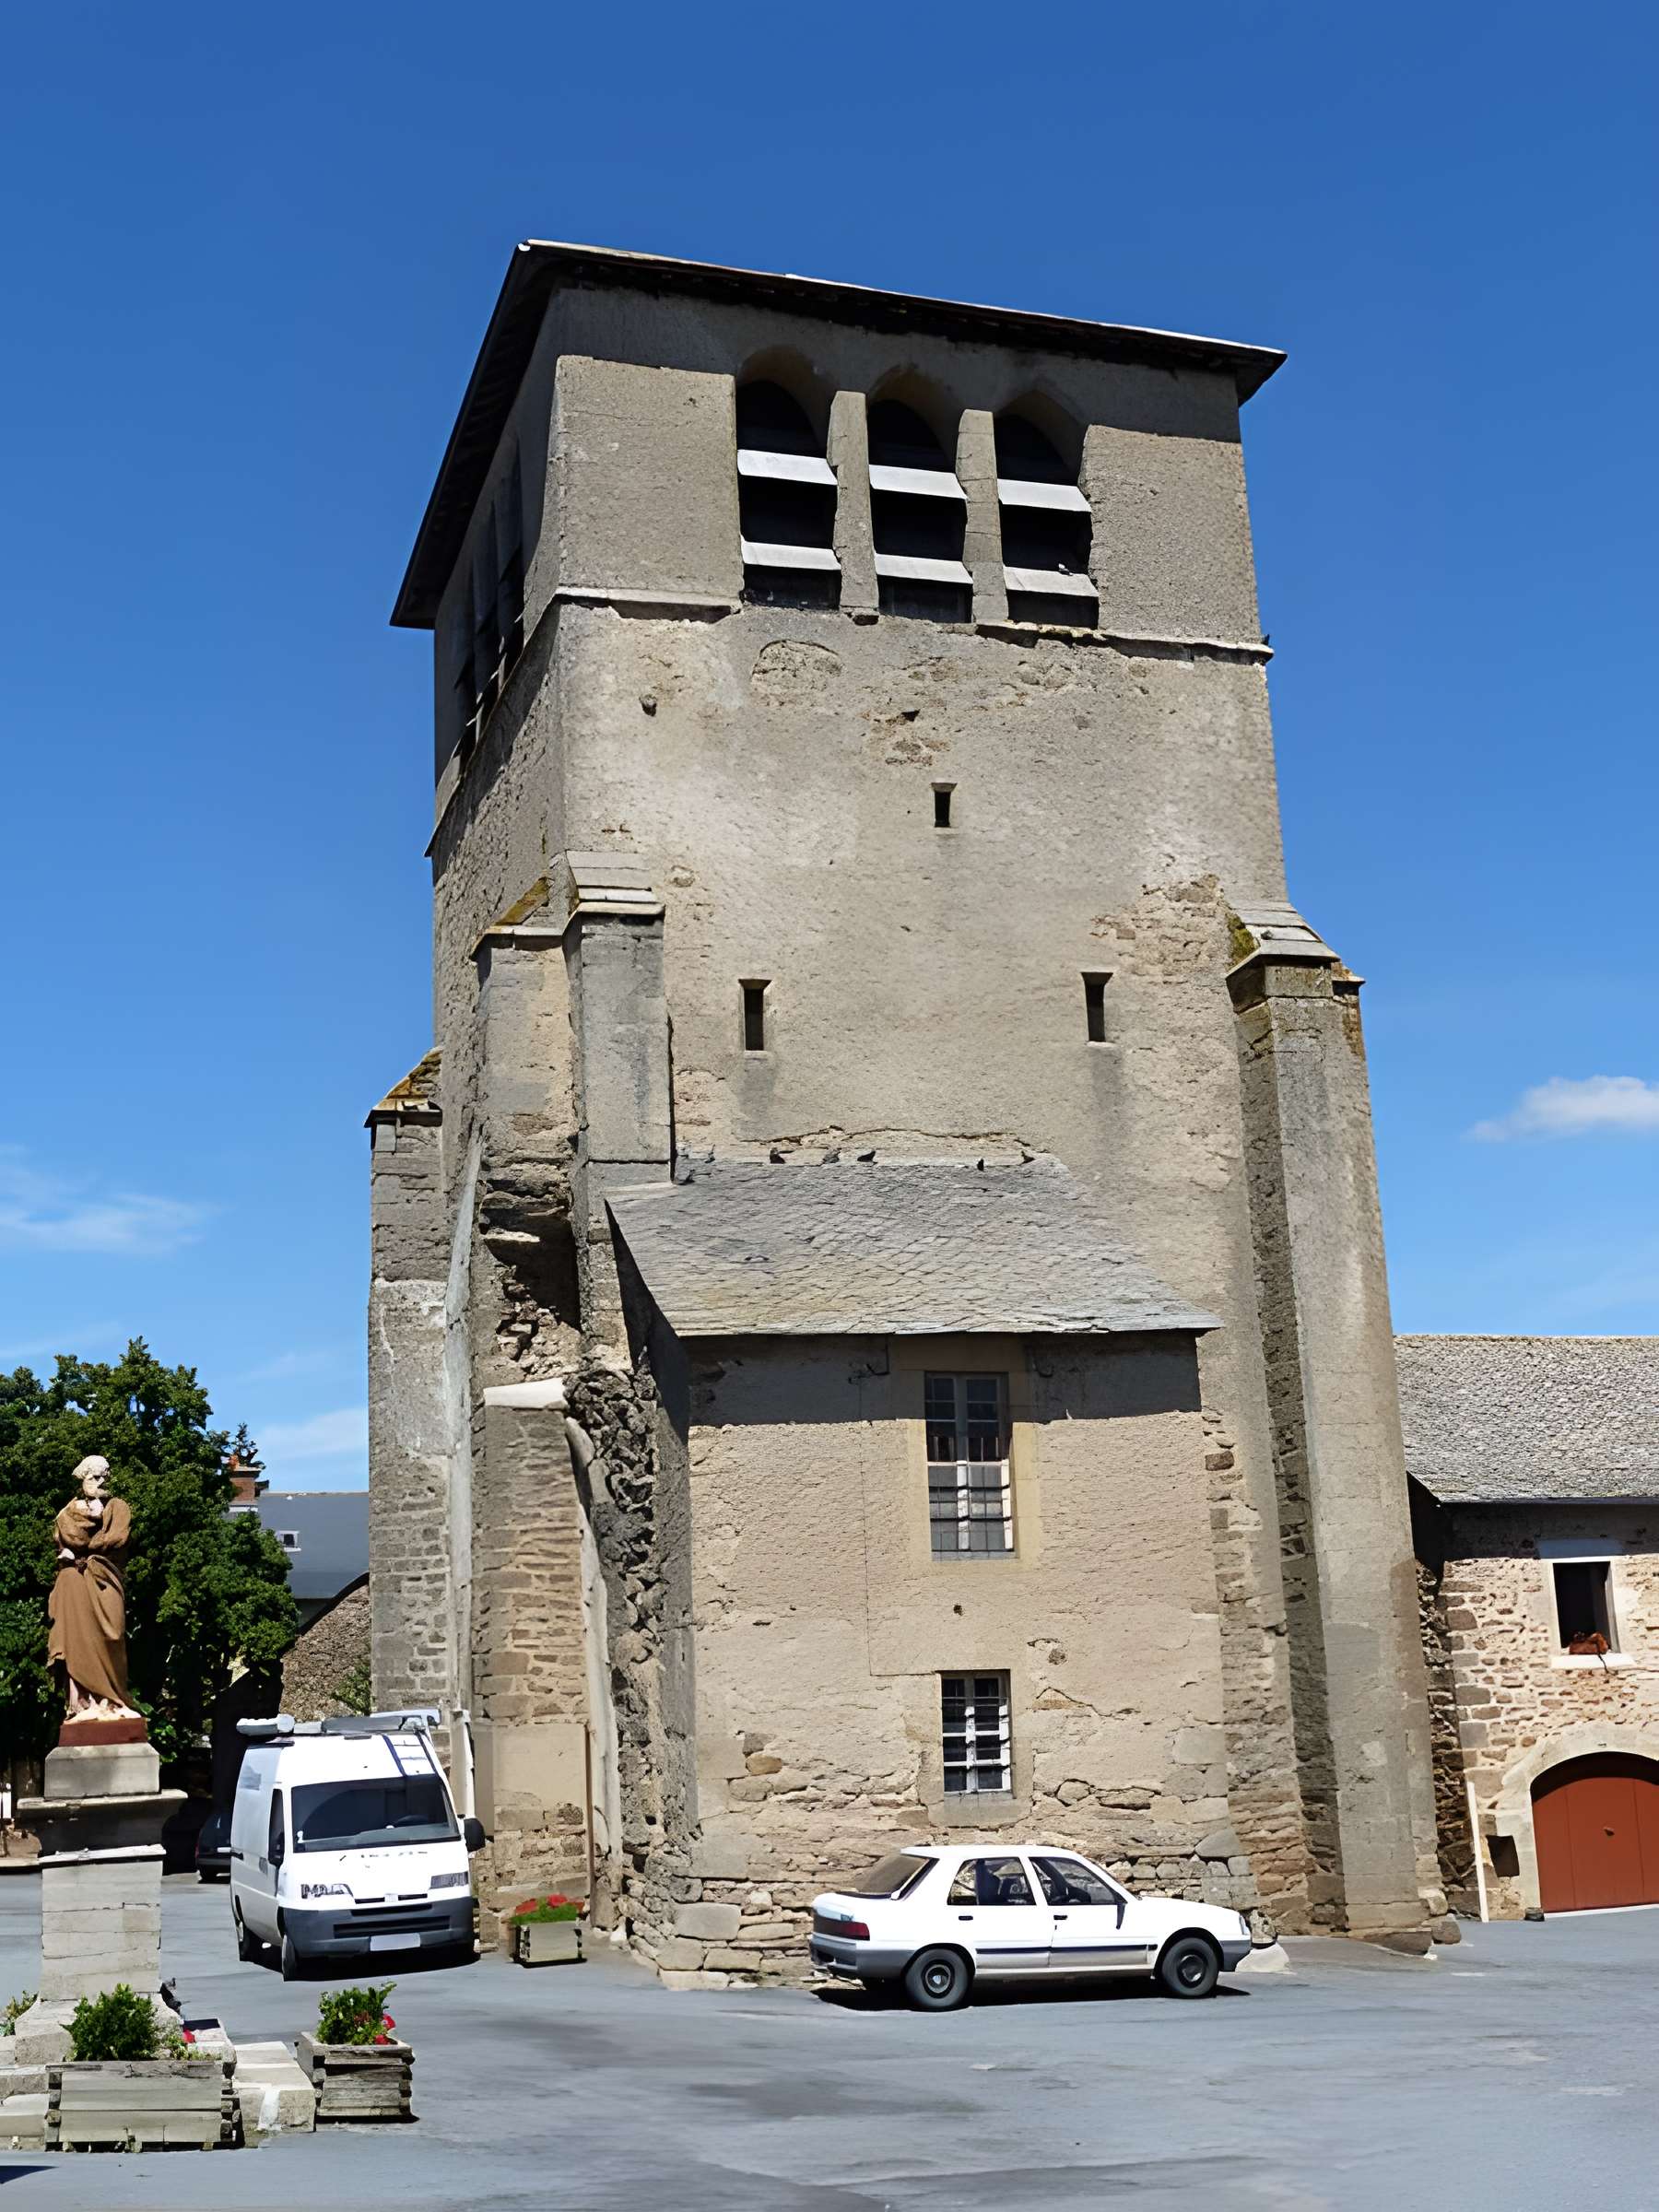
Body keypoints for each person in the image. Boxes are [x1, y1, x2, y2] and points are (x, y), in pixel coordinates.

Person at [46, 1455, 141, 1722]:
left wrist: (85, 1547)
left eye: (104, 1477)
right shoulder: (67, 1512)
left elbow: (116, 1538)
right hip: (74, 1581)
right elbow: (64, 1537)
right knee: (77, 1637)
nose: (101, 1482)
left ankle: (115, 1700)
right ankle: (84, 1704)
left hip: (104, 1577)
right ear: (83, 1478)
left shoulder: (116, 1507)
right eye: (95, 1477)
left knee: (113, 1633)